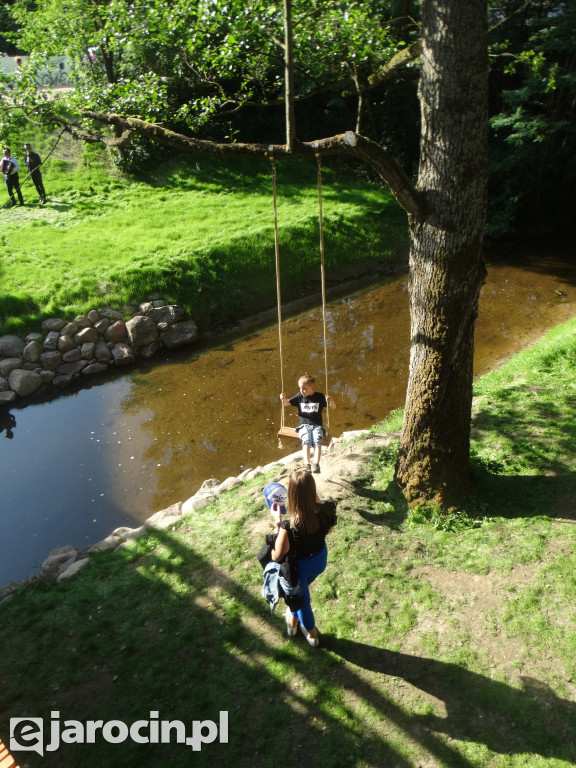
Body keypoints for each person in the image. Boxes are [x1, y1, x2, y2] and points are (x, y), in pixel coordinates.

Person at [270, 469, 337, 647]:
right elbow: (329, 530)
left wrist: (277, 524)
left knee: (303, 602)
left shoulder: (289, 528)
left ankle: (312, 635)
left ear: (291, 495)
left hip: (298, 570)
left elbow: (276, 556)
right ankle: (292, 620)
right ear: (313, 490)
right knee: (301, 592)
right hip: (319, 561)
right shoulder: (327, 510)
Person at [280, 373, 335, 473]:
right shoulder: (299, 396)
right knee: (306, 439)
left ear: (312, 388)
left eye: (304, 389)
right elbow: (287, 403)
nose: (302, 391)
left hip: (317, 425)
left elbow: (333, 407)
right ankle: (307, 465)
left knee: (317, 440)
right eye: (300, 388)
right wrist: (283, 399)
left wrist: (330, 400)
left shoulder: (319, 397)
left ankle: (316, 465)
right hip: (303, 425)